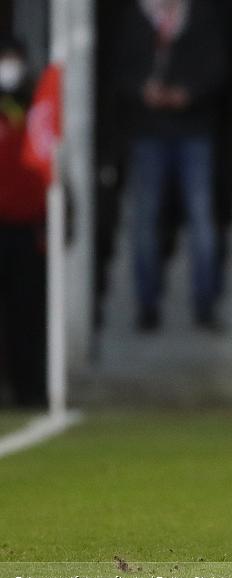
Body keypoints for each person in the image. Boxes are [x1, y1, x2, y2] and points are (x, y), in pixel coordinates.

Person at [115, 0, 227, 331]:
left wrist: (188, 93)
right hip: (148, 131)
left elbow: (217, 68)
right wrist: (142, 90)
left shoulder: (200, 15)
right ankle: (146, 304)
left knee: (201, 218)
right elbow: (119, 72)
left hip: (194, 131)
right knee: (145, 220)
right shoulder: (137, 18)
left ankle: (205, 303)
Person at [0, 37, 49, 408]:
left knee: (27, 312)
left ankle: (28, 388)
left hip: (27, 225)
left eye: (13, 60)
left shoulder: (38, 106)